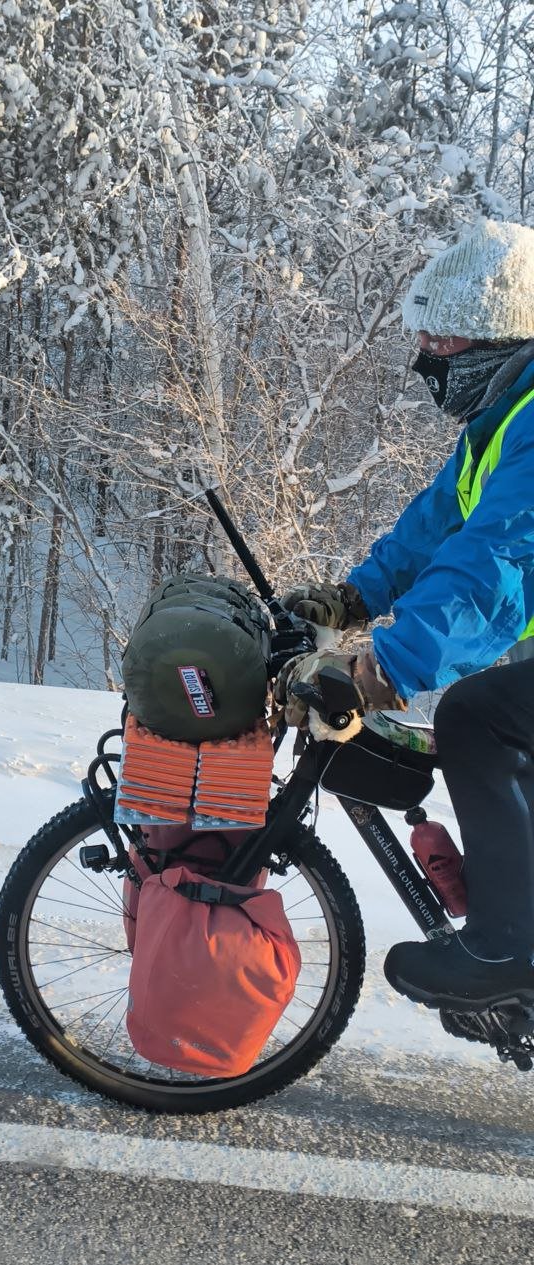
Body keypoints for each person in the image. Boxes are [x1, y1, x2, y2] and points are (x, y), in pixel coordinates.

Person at [276, 218, 534, 1011]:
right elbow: (438, 528)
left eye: (444, 342)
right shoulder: (504, 419)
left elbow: (495, 566)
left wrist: (383, 669)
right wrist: (348, 601)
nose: (428, 359)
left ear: (500, 338)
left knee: (477, 718)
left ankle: (509, 948)